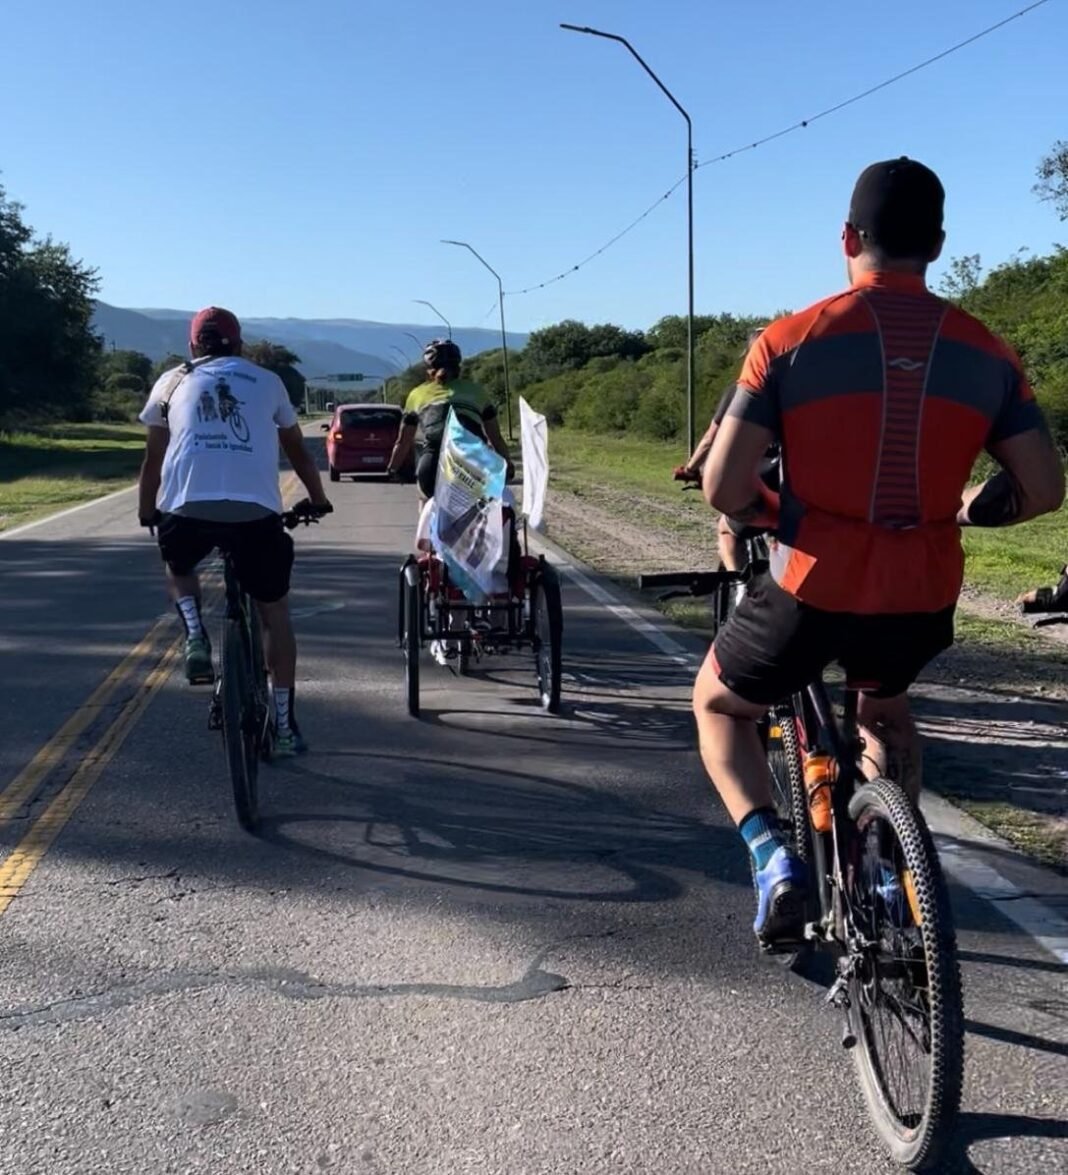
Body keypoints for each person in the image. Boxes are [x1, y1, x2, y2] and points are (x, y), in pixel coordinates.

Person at [692, 158, 1065, 950]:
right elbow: (1040, 488)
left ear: (848, 237)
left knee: (720, 705)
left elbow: (725, 487)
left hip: (810, 585)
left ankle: (773, 862)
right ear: (935, 243)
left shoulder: (788, 342)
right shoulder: (990, 354)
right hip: (919, 592)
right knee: (884, 708)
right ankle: (894, 874)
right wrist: (959, 508)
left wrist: (774, 508)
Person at [137, 306, 333, 757]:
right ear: (240, 345)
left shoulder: (170, 382)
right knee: (274, 613)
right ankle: (283, 728)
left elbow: (153, 461)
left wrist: (149, 512)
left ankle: (193, 634)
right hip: (255, 514)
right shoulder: (267, 381)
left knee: (178, 563)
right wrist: (318, 499)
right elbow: (300, 453)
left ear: (192, 346)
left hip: (186, 507)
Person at [674, 328, 772, 573]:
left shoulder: (742, 392)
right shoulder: (801, 391)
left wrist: (690, 469)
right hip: (795, 488)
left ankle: (739, 584)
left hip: (759, 484)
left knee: (727, 530)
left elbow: (711, 438)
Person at [386, 339, 512, 499]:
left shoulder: (416, 395)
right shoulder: (477, 392)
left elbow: (403, 441)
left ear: (428, 370)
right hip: (475, 461)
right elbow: (495, 438)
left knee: (426, 499)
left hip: (432, 464)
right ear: (458, 368)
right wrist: (508, 464)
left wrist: (393, 468)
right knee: (486, 504)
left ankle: (427, 521)